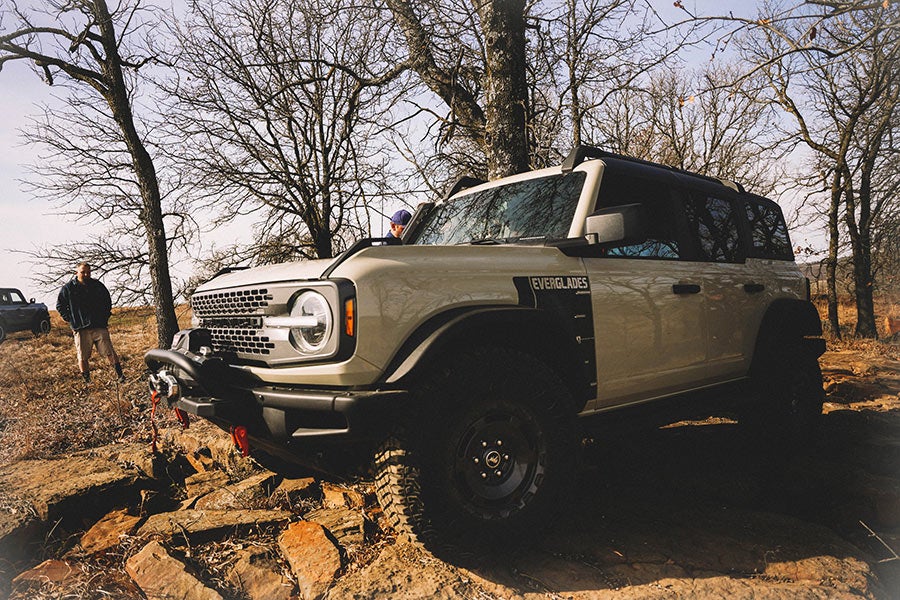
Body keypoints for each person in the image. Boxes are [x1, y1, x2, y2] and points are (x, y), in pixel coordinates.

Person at [56, 262, 125, 384]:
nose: (86, 274)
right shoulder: (68, 288)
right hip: (80, 327)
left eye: (88, 272)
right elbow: (60, 305)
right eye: (83, 272)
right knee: (82, 356)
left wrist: (105, 317)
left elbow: (107, 302)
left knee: (109, 352)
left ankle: (120, 376)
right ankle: (87, 382)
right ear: (77, 272)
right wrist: (71, 319)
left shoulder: (97, 286)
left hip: (99, 325)